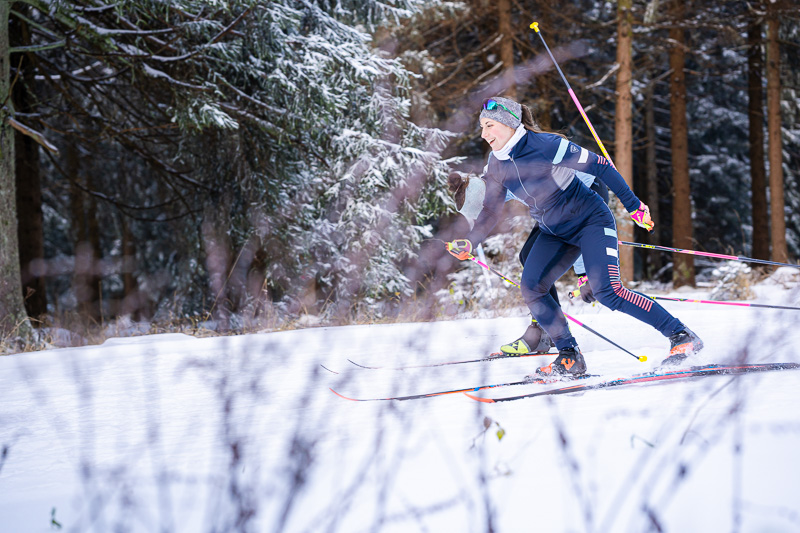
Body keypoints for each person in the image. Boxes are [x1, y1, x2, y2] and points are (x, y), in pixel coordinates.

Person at [445, 96, 702, 376]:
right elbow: (490, 211)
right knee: (532, 288)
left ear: (509, 123)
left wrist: (634, 206)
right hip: (553, 232)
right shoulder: (496, 164)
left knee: (609, 292)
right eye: (481, 127)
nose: (484, 134)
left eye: (489, 125)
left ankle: (681, 335)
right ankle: (570, 356)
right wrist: (471, 241)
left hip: (590, 220)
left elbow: (600, 166)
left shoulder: (547, 146)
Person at [449, 165, 610, 356]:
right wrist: (469, 242)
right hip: (557, 204)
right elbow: (488, 216)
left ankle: (547, 331)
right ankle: (545, 329)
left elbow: (577, 233)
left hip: (586, 191)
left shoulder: (516, 176)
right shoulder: (493, 180)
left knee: (534, 261)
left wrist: (584, 274)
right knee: (527, 255)